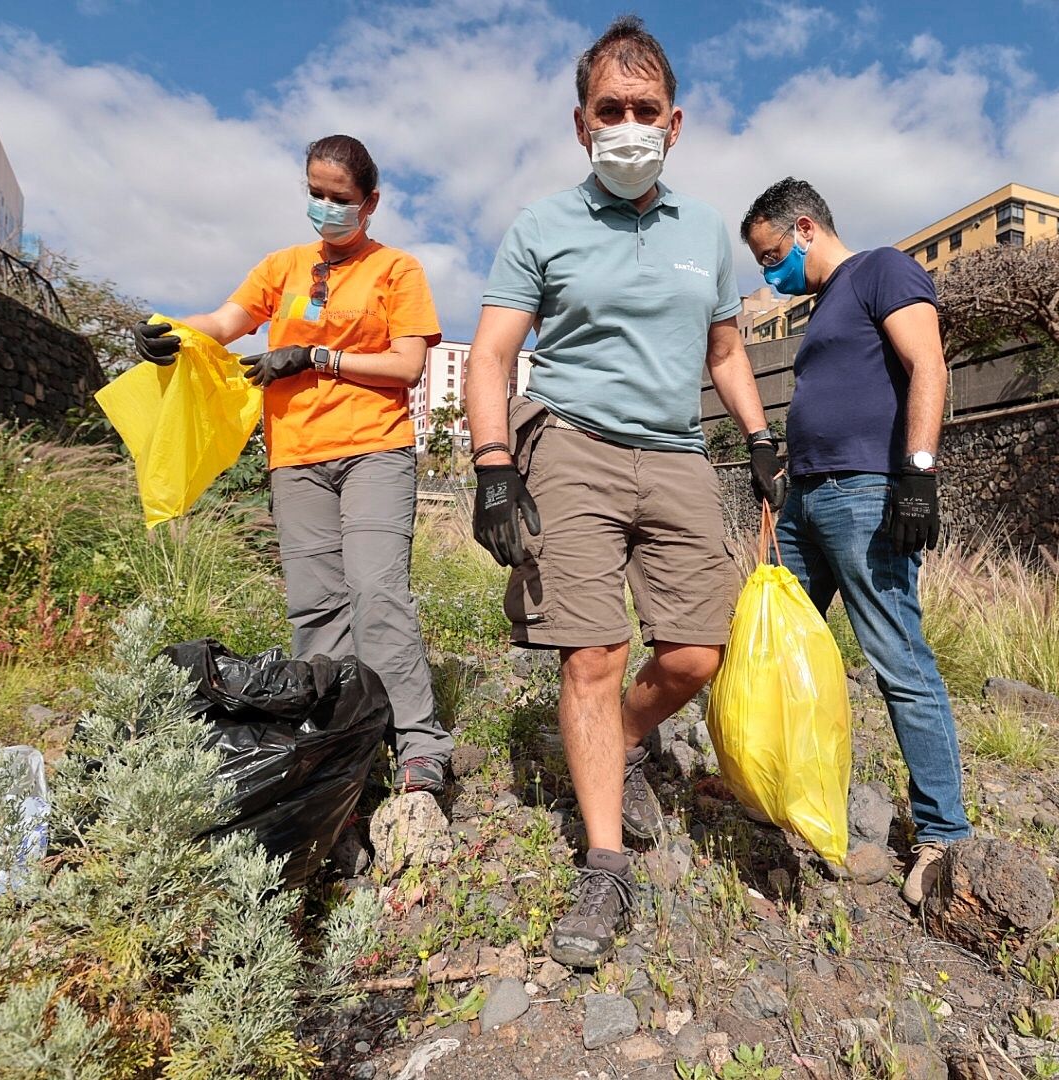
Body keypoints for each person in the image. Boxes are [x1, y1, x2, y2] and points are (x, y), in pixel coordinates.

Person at [464, 16, 782, 967]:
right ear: (581, 124)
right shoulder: (541, 227)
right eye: (613, 110)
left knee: (697, 652)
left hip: (679, 455)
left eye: (647, 110)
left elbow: (725, 350)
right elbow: (490, 353)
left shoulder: (704, 230)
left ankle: (626, 739)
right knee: (593, 655)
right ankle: (604, 862)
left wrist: (760, 440)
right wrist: (491, 465)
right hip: (572, 447)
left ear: (675, 124)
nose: (630, 125)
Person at [130, 134, 453, 795]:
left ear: (370, 203)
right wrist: (168, 332)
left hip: (373, 450)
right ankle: (342, 738)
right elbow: (224, 321)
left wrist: (315, 357)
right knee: (316, 607)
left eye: (341, 199)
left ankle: (419, 743)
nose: (326, 208)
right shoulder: (281, 266)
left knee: (376, 594)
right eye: (316, 194)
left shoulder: (397, 269)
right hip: (295, 456)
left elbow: (407, 365)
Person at [740, 177, 972, 905]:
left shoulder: (882, 270)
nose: (769, 274)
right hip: (804, 501)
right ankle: (781, 795)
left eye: (772, 254)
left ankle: (943, 834)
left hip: (864, 496)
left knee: (898, 659)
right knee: (779, 649)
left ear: (804, 228)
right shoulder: (820, 309)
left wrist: (919, 475)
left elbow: (927, 366)